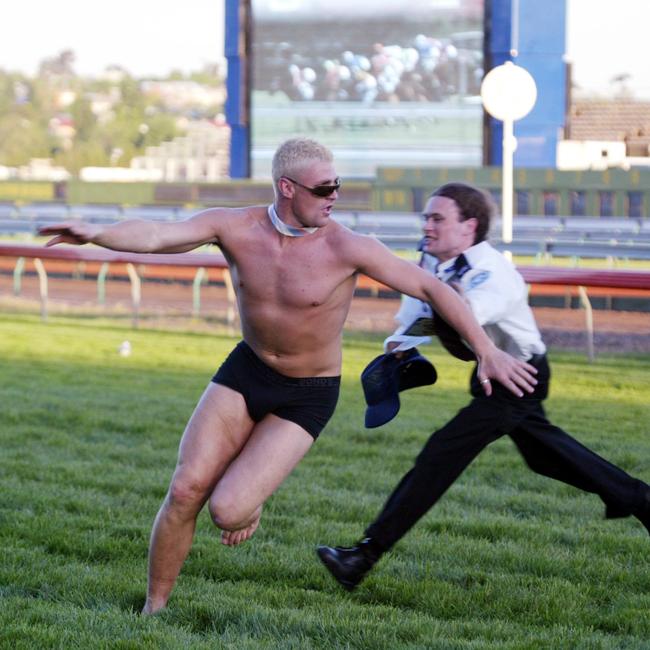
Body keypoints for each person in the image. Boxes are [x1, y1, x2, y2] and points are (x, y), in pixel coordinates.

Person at [39, 142, 537, 614]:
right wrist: (94, 232)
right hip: (247, 370)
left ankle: (247, 503)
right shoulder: (234, 227)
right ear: (287, 187)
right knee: (187, 488)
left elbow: (431, 286)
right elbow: (154, 235)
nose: (333, 197)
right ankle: (153, 608)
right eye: (322, 189)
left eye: (337, 186)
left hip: (308, 392)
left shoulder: (350, 246)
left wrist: (485, 348)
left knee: (226, 511)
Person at [317, 182, 650, 592]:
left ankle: (362, 557)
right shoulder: (429, 262)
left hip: (519, 374)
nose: (428, 225)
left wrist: (435, 300)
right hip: (491, 373)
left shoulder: (493, 272)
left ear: (468, 227)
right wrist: (400, 350)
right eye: (426, 217)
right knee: (543, 459)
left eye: (438, 218)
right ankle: (638, 498)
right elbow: (416, 318)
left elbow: (464, 315)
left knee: (441, 452)